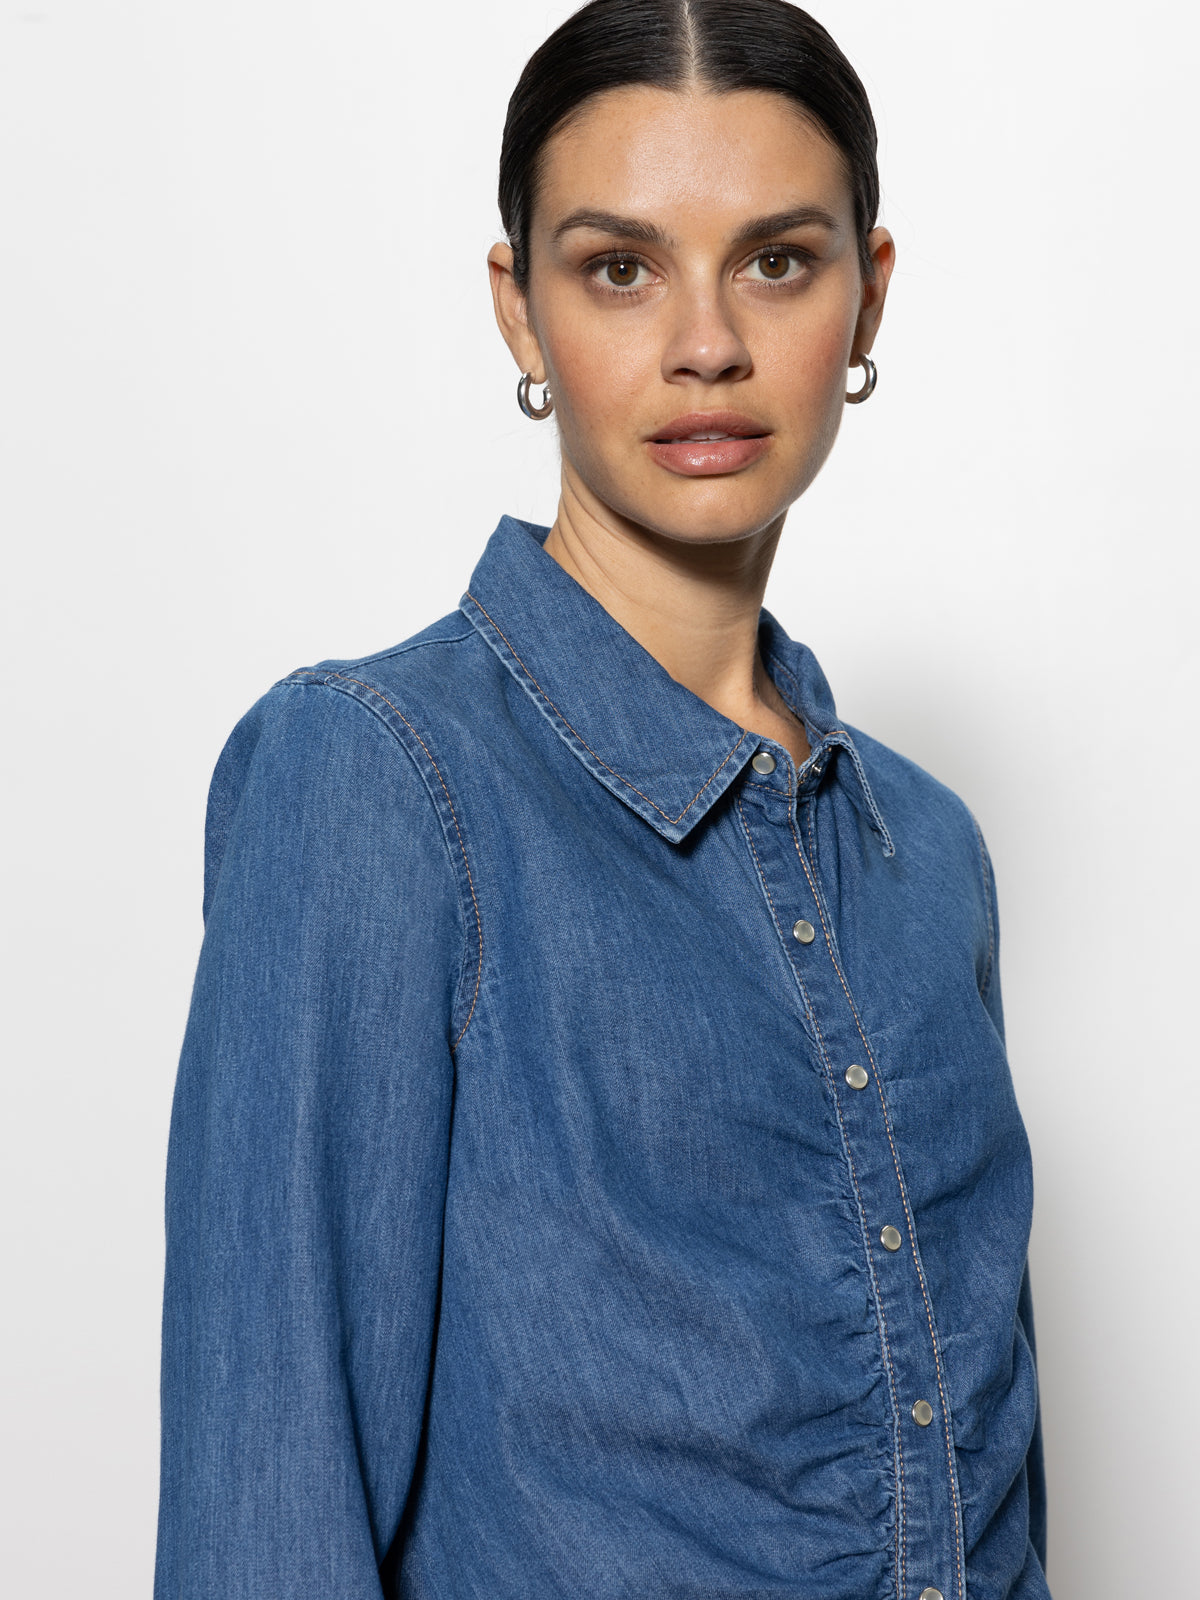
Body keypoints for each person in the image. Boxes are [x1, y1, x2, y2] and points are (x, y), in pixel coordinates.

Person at [154, 3, 1049, 1597]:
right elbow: (264, 1513)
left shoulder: (929, 859)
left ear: (867, 294)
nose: (704, 342)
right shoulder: (373, 778)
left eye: (777, 259)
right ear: (520, 308)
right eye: (618, 267)